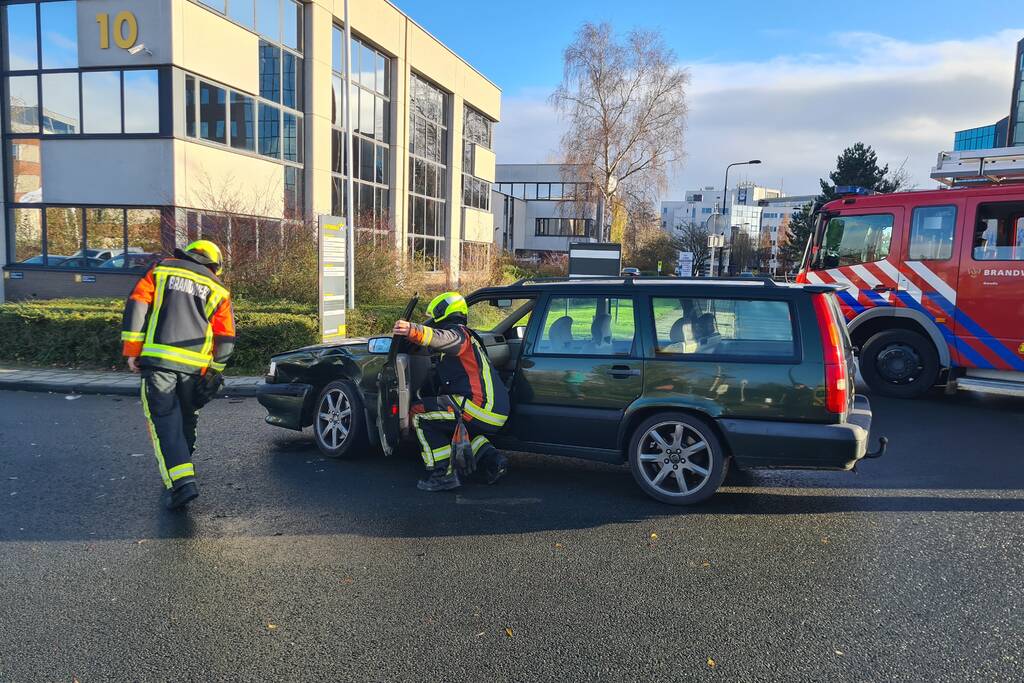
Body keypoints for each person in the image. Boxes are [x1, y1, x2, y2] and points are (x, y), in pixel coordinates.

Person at [121, 240, 236, 509]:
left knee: (164, 423)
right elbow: (226, 337)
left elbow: (138, 305)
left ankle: (181, 483)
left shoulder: (160, 270)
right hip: (195, 368)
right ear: (214, 264)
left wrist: (132, 350)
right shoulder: (218, 288)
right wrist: (215, 372)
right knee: (186, 417)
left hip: (159, 362)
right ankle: (183, 465)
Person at [392, 291, 510, 492]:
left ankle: (443, 474)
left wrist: (412, 329)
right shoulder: (473, 341)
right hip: (495, 411)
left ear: (442, 312)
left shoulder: (459, 333)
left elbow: (443, 338)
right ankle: (492, 461)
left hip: (479, 406)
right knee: (452, 424)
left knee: (420, 414)